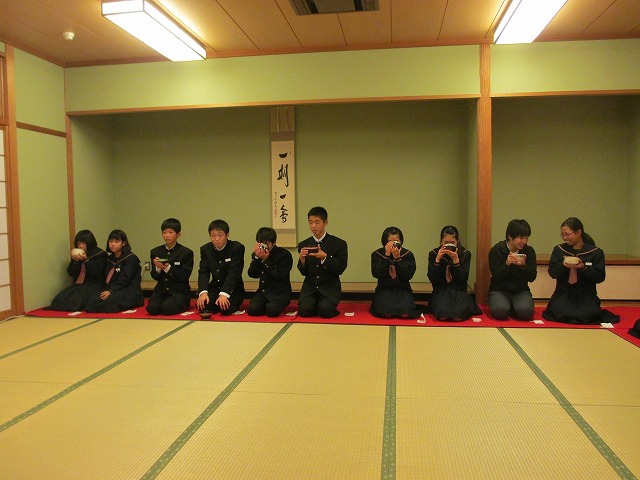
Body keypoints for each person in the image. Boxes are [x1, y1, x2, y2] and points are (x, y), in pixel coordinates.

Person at [542, 217, 620, 325]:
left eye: (567, 234)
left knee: (588, 315)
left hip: (586, 295)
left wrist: (584, 268)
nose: (564, 238)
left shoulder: (595, 252)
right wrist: (563, 266)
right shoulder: (559, 250)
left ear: (578, 232)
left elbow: (600, 277)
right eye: (562, 234)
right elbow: (552, 273)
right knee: (559, 312)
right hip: (563, 294)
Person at [297, 206, 348, 318]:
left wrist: (325, 258)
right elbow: (304, 272)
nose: (313, 226)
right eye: (310, 222)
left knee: (326, 311)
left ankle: (322, 306)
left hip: (329, 287)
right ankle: (314, 305)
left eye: (317, 222)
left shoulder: (339, 244)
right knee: (305, 311)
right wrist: (302, 259)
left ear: (325, 223)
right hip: (310, 287)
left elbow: (341, 268)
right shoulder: (303, 244)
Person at [427, 225, 481, 321]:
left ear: (457, 241)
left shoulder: (465, 253)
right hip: (440, 290)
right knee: (442, 315)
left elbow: (463, 279)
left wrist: (456, 260)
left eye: (452, 242)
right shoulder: (434, 253)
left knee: (458, 315)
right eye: (446, 242)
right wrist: (437, 260)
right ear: (441, 241)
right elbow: (433, 278)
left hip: (459, 290)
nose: (449, 245)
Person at [488, 219, 537, 320]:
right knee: (500, 312)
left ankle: (515, 307)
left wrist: (524, 266)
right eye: (521, 238)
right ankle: (508, 306)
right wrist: (507, 264)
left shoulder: (529, 251)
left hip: (520, 290)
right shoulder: (496, 250)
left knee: (526, 312)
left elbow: (532, 277)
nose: (524, 241)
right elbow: (496, 277)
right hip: (499, 290)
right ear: (510, 236)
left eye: (526, 238)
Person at [85, 229, 144, 313]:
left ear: (123, 243)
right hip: (111, 290)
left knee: (108, 304)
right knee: (92, 301)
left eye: (116, 241)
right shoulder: (109, 259)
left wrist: (111, 291)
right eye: (111, 241)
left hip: (128, 290)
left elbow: (124, 279)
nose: (113, 244)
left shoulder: (131, 258)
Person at [48, 230, 107, 311]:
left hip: (95, 285)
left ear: (90, 243)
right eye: (79, 244)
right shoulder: (77, 254)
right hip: (79, 285)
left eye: (83, 243)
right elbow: (71, 273)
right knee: (59, 299)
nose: (81, 246)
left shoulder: (100, 254)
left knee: (77, 301)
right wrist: (75, 261)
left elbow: (98, 273)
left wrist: (86, 260)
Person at [196, 219, 245, 316]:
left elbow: (234, 273)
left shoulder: (237, 248)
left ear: (227, 235)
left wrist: (224, 293)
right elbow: (203, 272)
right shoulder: (205, 249)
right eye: (213, 235)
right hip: (215, 287)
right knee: (203, 306)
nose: (217, 239)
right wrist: (203, 292)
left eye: (220, 235)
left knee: (225, 308)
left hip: (233, 289)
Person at [370, 226, 421, 319]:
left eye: (396, 241)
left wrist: (398, 258)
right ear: (385, 242)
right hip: (384, 289)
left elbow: (408, 275)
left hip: (403, 289)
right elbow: (376, 273)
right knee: (386, 313)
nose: (393, 244)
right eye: (390, 241)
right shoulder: (377, 254)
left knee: (405, 313)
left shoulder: (408, 254)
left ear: (401, 241)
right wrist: (386, 255)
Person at [146, 218, 194, 316]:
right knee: (152, 309)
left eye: (171, 232)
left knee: (167, 308)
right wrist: (158, 268)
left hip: (179, 291)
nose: (167, 235)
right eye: (164, 232)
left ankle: (181, 303)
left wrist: (167, 268)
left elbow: (184, 276)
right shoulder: (155, 251)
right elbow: (155, 276)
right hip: (161, 290)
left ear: (178, 234)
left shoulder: (186, 252)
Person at [247, 227, 293, 317]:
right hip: (263, 292)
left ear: (273, 243)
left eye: (266, 244)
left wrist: (266, 259)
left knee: (272, 311)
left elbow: (279, 275)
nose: (264, 246)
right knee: (253, 310)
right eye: (261, 243)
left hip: (280, 293)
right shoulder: (257, 254)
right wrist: (256, 258)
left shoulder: (284, 255)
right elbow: (252, 274)